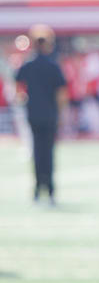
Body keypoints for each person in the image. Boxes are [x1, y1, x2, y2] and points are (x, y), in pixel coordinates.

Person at [14, 24, 67, 206]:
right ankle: (50, 190)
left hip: (33, 114)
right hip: (50, 115)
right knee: (49, 153)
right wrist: (61, 114)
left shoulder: (27, 65)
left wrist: (23, 99)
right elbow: (61, 94)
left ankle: (37, 189)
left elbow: (18, 87)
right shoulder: (53, 66)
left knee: (37, 152)